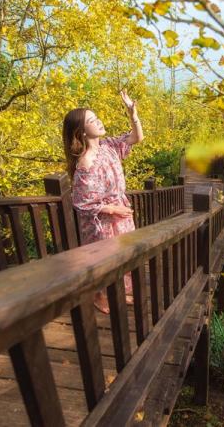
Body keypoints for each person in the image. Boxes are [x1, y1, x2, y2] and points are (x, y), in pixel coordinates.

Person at [62, 89, 144, 313]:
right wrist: (112, 208)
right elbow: (82, 203)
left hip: (120, 214)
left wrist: (132, 114)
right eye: (91, 120)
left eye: (96, 116)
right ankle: (100, 297)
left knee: (123, 258)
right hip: (102, 222)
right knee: (106, 260)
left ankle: (118, 293)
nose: (98, 121)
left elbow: (137, 137)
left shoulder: (109, 146)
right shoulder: (85, 163)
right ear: (81, 131)